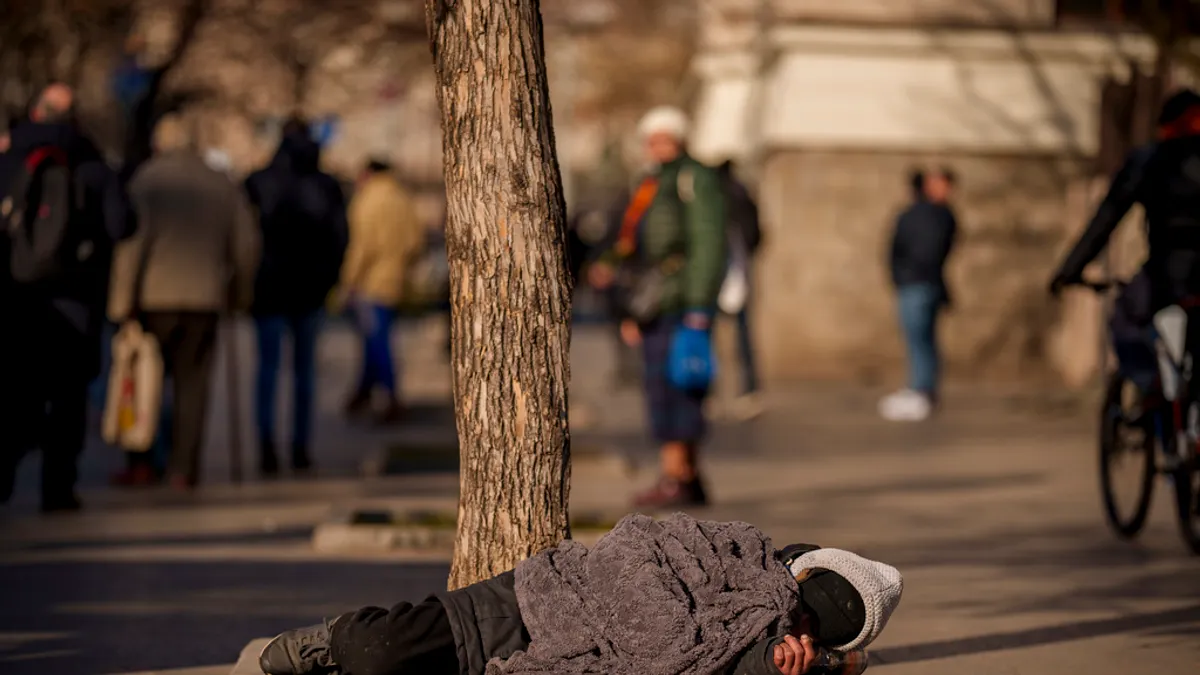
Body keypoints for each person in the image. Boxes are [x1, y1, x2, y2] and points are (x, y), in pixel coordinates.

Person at [258, 513, 902, 675]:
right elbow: (633, 544)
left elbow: (723, 666)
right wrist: (663, 634)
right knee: (379, 650)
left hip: (561, 659)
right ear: (803, 572)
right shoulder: (736, 546)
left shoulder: (778, 645)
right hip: (537, 603)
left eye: (821, 629)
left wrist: (779, 664)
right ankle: (314, 646)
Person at [0, 84, 134, 511]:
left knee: (17, 392)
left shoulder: (8, 159)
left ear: (36, 113)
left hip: (16, 300)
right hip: (78, 302)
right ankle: (58, 488)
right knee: (68, 397)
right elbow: (122, 226)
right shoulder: (92, 165)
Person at [108, 115, 260, 490]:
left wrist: (122, 302)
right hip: (204, 299)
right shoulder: (221, 183)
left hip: (153, 298)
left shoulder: (147, 180)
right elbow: (246, 245)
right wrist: (239, 292)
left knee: (145, 379)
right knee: (194, 384)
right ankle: (183, 467)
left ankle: (142, 461)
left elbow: (131, 246)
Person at [589, 106, 727, 507]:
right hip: (654, 300)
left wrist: (699, 304)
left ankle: (675, 476)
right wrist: (611, 265)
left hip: (680, 301)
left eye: (665, 137)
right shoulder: (648, 182)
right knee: (665, 384)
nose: (657, 145)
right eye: (652, 138)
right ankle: (688, 476)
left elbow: (707, 242)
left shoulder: (695, 178)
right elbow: (633, 238)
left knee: (678, 386)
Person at [1051, 88, 1200, 398]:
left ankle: (1151, 386)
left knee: (1126, 318)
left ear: (1165, 126)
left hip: (1165, 277)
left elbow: (1105, 220)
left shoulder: (1149, 161)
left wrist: (1070, 270)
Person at [244, 119, 346, 475]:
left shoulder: (259, 181)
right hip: (309, 290)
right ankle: (300, 446)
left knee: (268, 372)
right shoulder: (326, 185)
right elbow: (339, 237)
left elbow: (244, 238)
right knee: (304, 372)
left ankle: (266, 446)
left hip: (269, 288)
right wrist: (328, 280)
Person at [337, 159, 425, 424]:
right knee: (375, 338)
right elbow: (415, 241)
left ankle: (389, 395)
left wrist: (348, 281)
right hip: (396, 280)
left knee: (377, 341)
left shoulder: (366, 202)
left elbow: (362, 247)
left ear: (367, 174)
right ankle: (363, 392)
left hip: (371, 283)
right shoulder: (403, 199)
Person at [879, 168, 958, 423]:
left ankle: (922, 390)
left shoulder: (940, 215)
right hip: (914, 283)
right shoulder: (920, 214)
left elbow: (931, 251)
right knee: (918, 339)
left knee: (922, 340)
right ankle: (921, 388)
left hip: (923, 283)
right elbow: (895, 247)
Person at [716, 159, 764, 420]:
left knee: (709, 332)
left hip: (722, 273)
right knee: (744, 336)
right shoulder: (743, 193)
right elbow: (757, 235)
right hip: (741, 271)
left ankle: (710, 392)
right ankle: (750, 390)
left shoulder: (716, 196)